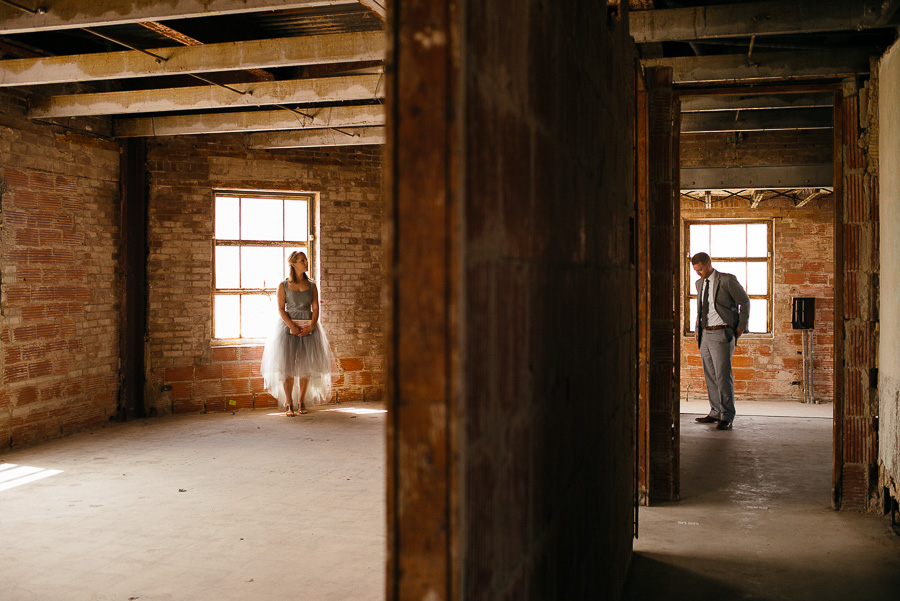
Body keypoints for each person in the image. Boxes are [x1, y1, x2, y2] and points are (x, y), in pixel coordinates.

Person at [260, 251, 335, 416]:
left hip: (308, 327)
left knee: (306, 365)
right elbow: (280, 308)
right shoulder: (283, 285)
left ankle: (301, 401)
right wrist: (291, 327)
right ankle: (289, 403)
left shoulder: (312, 285)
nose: (306, 263)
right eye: (302, 260)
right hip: (288, 327)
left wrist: (312, 325)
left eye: (306, 260)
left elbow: (315, 308)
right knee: (288, 365)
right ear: (293, 264)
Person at [692, 252, 750, 431]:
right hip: (705, 335)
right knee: (710, 375)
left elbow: (745, 302)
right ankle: (716, 411)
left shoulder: (727, 280)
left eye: (701, 269)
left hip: (722, 333)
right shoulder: (699, 283)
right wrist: (697, 329)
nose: (699, 273)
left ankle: (727, 416)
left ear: (709, 264)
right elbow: (701, 309)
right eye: (696, 270)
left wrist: (740, 327)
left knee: (723, 376)